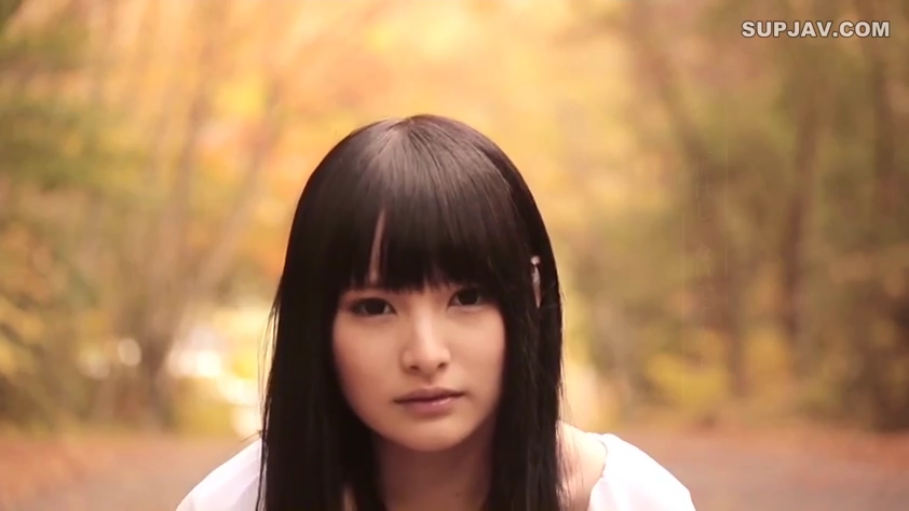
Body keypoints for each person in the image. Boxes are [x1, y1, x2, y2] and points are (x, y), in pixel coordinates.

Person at [176, 115, 696, 511]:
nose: (426, 355)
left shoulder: (631, 500)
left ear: (532, 296)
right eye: (375, 307)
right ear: (315, 324)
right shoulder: (233, 504)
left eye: (467, 299)